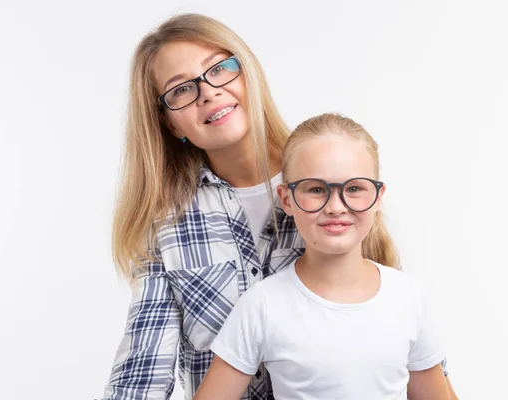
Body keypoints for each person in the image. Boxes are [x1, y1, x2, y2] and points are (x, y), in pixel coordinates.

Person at [102, 13, 458, 400]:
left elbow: (397, 341)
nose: (207, 92)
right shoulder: (165, 227)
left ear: (248, 73)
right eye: (181, 90)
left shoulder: (333, 175)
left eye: (219, 69)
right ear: (170, 123)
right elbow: (143, 372)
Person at [193, 113, 450, 400]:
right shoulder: (262, 306)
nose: (336, 206)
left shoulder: (408, 297)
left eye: (354, 188)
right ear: (287, 199)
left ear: (378, 197)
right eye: (316, 189)